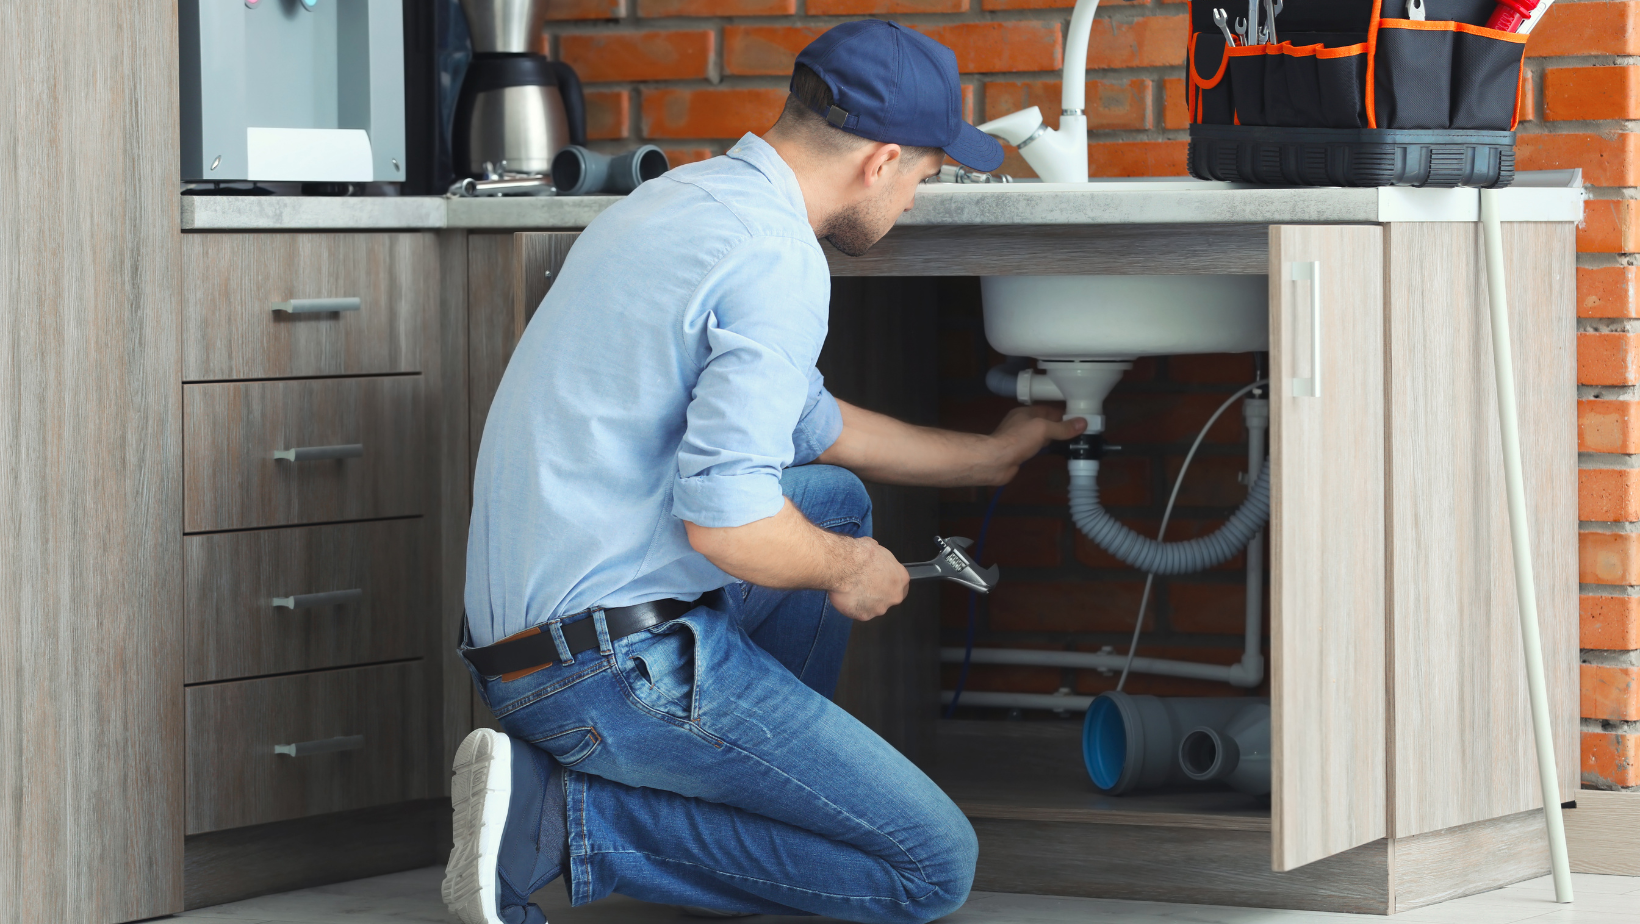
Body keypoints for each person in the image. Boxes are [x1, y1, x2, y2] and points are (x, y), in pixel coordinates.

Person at [444, 19, 1085, 924]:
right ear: (882, 160)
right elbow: (730, 525)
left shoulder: (688, 201)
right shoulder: (779, 259)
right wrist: (848, 568)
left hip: (524, 646)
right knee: (931, 869)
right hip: (606, 673)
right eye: (923, 179)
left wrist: (989, 456)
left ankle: (738, 792)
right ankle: (562, 819)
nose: (912, 202)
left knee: (834, 501)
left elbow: (815, 429)